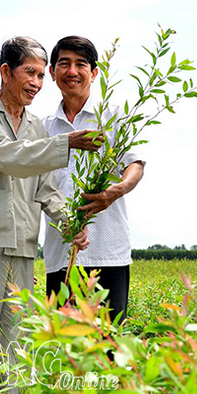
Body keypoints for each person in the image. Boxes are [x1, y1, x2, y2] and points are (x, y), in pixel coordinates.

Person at [0, 36, 102, 348]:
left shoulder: (36, 127)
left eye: (40, 76)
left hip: (22, 242)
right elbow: (8, 157)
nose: (36, 83)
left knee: (15, 339)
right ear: (6, 72)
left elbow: (46, 188)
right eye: (29, 73)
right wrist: (67, 143)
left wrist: (70, 223)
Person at [43, 35, 145, 325]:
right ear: (52, 73)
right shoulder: (42, 128)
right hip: (60, 255)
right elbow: (36, 185)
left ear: (95, 72)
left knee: (108, 345)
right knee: (64, 347)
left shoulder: (113, 118)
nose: (72, 71)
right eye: (64, 64)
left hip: (107, 252)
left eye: (81, 64)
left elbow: (135, 164)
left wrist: (118, 189)